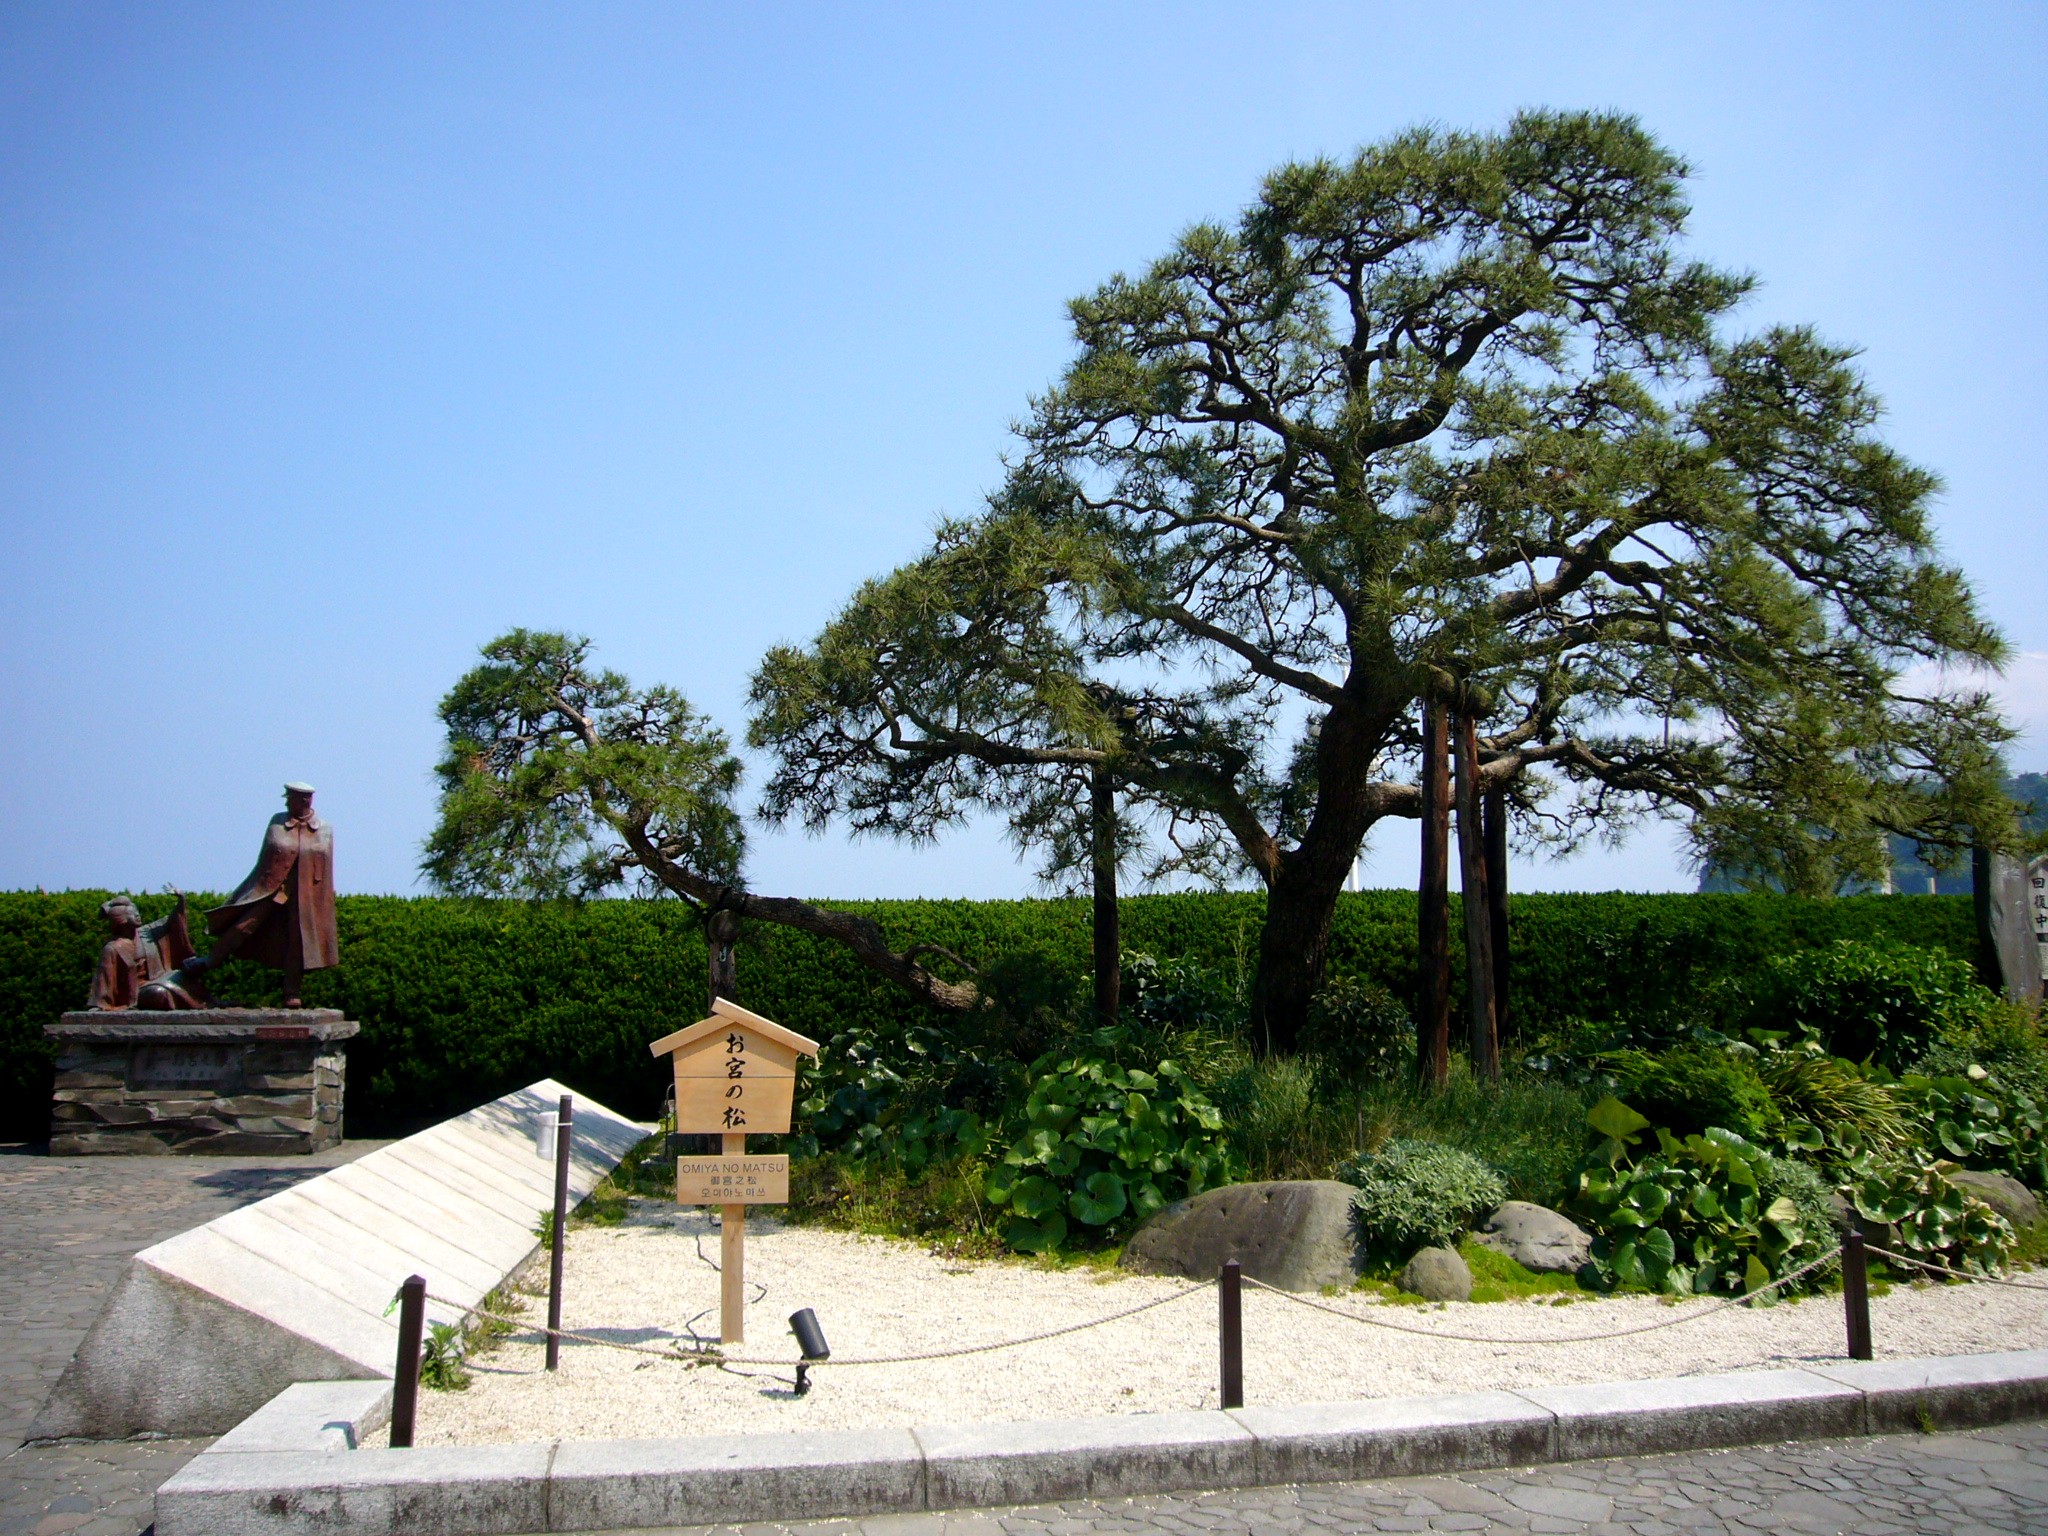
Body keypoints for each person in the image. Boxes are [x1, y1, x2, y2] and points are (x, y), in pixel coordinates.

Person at [187, 783, 338, 1008]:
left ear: (306, 801)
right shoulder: (277, 822)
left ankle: (291, 993)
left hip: (305, 896)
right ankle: (209, 962)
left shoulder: (324, 828)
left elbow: (323, 863)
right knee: (244, 925)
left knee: (297, 941)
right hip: (271, 890)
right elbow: (270, 852)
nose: (287, 802)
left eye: (291, 798)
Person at [87, 892, 203, 1010]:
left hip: (156, 979)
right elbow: (104, 979)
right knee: (159, 993)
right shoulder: (112, 948)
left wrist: (181, 901)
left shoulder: (146, 933)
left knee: (183, 976)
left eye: (137, 912)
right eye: (132, 914)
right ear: (121, 920)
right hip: (137, 992)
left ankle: (206, 1004)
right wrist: (100, 1004)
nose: (138, 915)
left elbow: (171, 922)